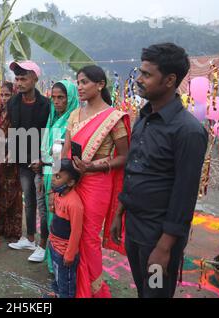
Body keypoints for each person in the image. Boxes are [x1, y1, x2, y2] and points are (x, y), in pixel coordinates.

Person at [111, 43, 208, 298]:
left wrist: (164, 247)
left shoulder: (188, 131)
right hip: (134, 229)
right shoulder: (145, 119)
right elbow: (135, 169)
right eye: (140, 72)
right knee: (144, 292)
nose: (139, 80)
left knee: (155, 294)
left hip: (159, 237)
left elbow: (184, 195)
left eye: (147, 74)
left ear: (170, 80)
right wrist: (120, 211)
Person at [62, 65, 131, 298]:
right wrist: (60, 181)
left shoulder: (114, 118)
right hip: (74, 180)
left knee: (88, 236)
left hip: (97, 183)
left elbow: (125, 156)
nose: (79, 87)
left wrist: (93, 166)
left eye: (84, 82)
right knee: (71, 231)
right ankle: (72, 286)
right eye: (78, 82)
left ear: (100, 84)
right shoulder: (75, 115)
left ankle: (93, 290)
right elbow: (65, 151)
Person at [7, 61, 51, 263]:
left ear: (35, 79)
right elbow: (14, 131)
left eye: (23, 78)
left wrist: (42, 160)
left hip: (42, 164)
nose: (19, 82)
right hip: (23, 162)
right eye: (17, 79)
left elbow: (51, 134)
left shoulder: (47, 105)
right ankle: (30, 239)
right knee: (29, 201)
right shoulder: (13, 103)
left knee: (43, 206)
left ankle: (44, 244)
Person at [41, 80, 79, 273]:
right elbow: (48, 149)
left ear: (70, 98)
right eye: (53, 98)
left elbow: (62, 156)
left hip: (61, 178)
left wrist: (52, 185)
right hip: (49, 174)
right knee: (51, 220)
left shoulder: (74, 120)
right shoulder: (53, 118)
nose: (56, 102)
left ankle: (62, 265)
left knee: (60, 222)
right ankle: (52, 262)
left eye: (61, 97)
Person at [47, 159, 84, 298]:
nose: (53, 179)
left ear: (70, 182)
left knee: (66, 284)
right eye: (54, 175)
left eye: (58, 176)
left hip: (64, 253)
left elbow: (76, 231)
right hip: (54, 246)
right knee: (57, 278)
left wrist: (70, 254)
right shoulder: (58, 194)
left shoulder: (74, 204)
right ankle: (56, 293)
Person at [0, 82, 23, 242]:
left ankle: (14, 230)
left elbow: (19, 134)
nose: (4, 98)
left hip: (13, 157)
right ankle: (2, 226)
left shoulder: (16, 112)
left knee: (13, 194)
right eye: (2, 95)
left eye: (7, 95)